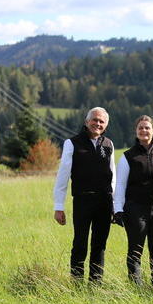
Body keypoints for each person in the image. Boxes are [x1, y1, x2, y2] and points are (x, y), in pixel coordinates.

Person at [53, 107, 115, 283]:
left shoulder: (108, 144)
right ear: (87, 122)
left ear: (106, 125)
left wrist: (115, 205)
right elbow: (63, 176)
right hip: (82, 201)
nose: (97, 123)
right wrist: (59, 206)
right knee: (80, 243)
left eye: (101, 121)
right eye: (94, 120)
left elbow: (113, 178)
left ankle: (96, 284)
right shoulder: (72, 143)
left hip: (104, 202)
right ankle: (76, 282)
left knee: (99, 245)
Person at [113, 115, 153, 285]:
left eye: (147, 127)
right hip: (136, 209)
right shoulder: (127, 157)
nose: (144, 130)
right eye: (141, 127)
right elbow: (120, 185)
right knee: (135, 249)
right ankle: (136, 286)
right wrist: (117, 209)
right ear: (136, 131)